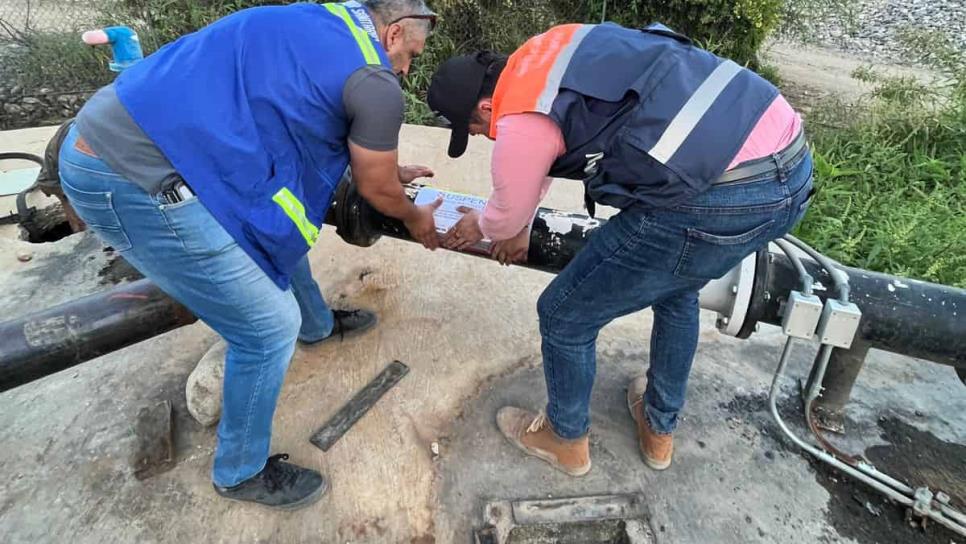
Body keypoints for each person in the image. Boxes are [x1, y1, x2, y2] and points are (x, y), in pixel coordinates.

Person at [59, 0, 441, 509]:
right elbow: (376, 188)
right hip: (132, 176)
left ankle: (318, 325)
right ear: (392, 34)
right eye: (410, 53)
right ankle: (239, 471)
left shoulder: (315, 18)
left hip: (120, 133)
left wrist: (384, 172)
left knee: (275, 226)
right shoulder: (375, 80)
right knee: (266, 328)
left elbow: (295, 113)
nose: (406, 68)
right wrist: (414, 216)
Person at [427, 22, 812, 476]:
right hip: (790, 168)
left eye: (473, 128)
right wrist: (520, 221)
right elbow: (551, 144)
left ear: (487, 106)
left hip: (713, 199)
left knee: (564, 314)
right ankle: (658, 426)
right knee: (677, 288)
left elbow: (509, 201)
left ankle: (565, 438)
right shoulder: (546, 53)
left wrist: (487, 224)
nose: (479, 136)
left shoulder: (518, 118)